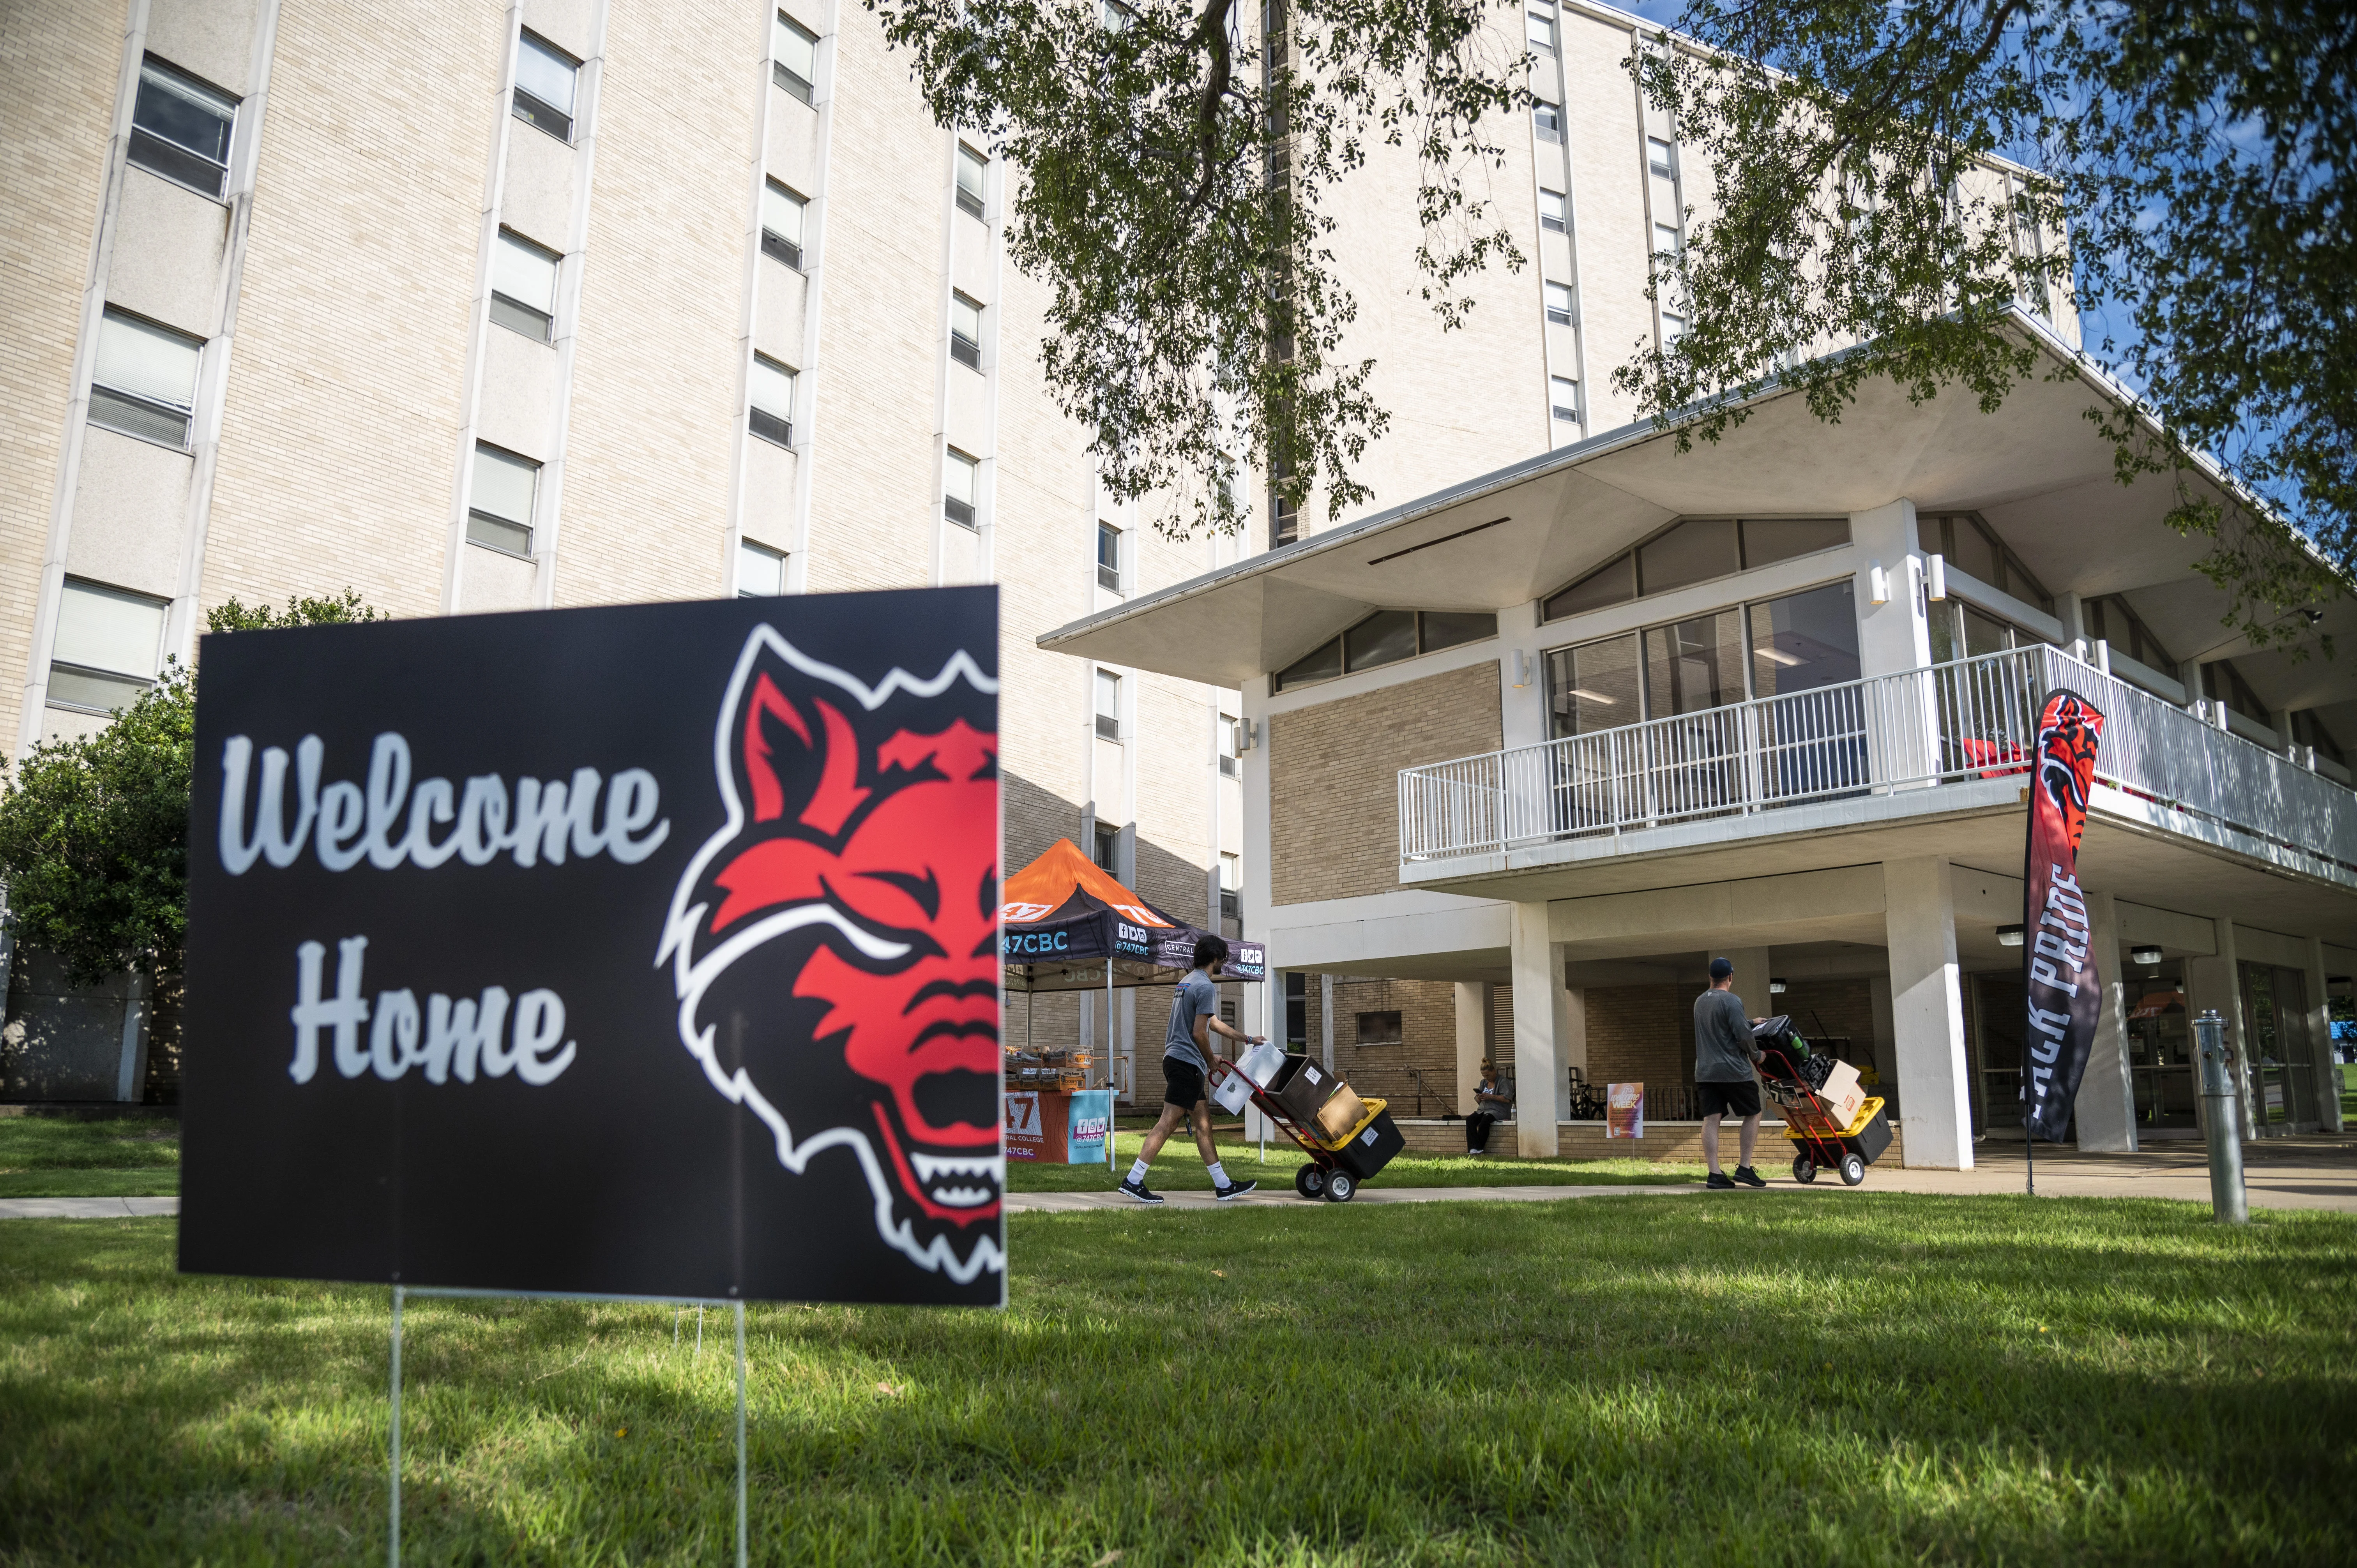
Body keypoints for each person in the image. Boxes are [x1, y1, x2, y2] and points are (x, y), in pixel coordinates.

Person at [1118, 934, 1266, 1204]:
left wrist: (1248, 1040)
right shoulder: (1206, 987)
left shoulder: (1187, 982)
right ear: (1216, 958)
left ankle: (1223, 1185)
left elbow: (1214, 1024)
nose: (1224, 963)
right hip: (1187, 1063)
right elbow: (1200, 1033)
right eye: (1223, 959)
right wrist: (1210, 1059)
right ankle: (1134, 1180)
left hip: (1177, 1060)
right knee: (1167, 1123)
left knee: (1204, 1123)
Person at [1693, 956, 1767, 1189]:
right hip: (1734, 1071)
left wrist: (1749, 1021)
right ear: (1731, 977)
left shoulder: (1700, 1002)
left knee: (1711, 1119)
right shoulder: (1732, 1000)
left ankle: (1714, 1174)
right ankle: (1745, 1168)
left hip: (1705, 1072)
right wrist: (1757, 1055)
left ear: (1710, 978)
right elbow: (1743, 1037)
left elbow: (1719, 1025)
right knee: (1754, 1113)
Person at [1465, 1060, 1513, 1153]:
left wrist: (1491, 1097)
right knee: (1470, 1120)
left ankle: (1478, 1148)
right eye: (1484, 1076)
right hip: (1483, 1110)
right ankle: (1473, 1148)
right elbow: (1478, 1100)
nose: (1486, 1078)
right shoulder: (1483, 1083)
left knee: (1485, 1122)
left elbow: (1507, 1099)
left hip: (1497, 1111)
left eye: (1488, 1075)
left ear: (1494, 1071)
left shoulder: (1503, 1082)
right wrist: (1479, 1097)